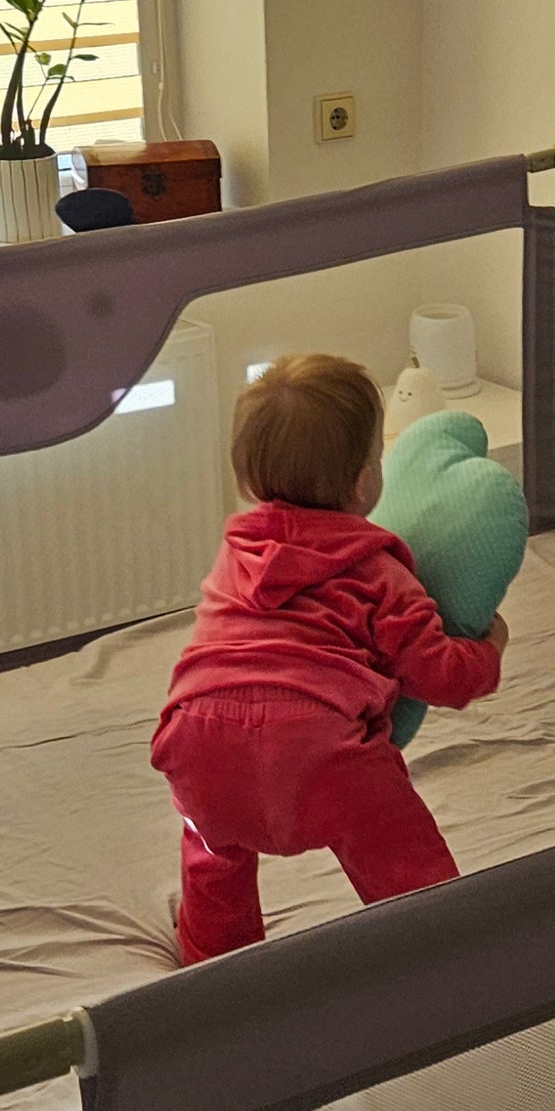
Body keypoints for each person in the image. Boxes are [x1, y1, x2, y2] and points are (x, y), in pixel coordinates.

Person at [152, 353, 507, 965]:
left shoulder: (235, 554)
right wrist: (488, 648)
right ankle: (439, 944)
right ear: (365, 481)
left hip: (195, 738)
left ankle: (210, 958)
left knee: (212, 849)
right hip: (316, 751)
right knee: (399, 849)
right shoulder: (377, 572)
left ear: (246, 482)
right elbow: (437, 675)